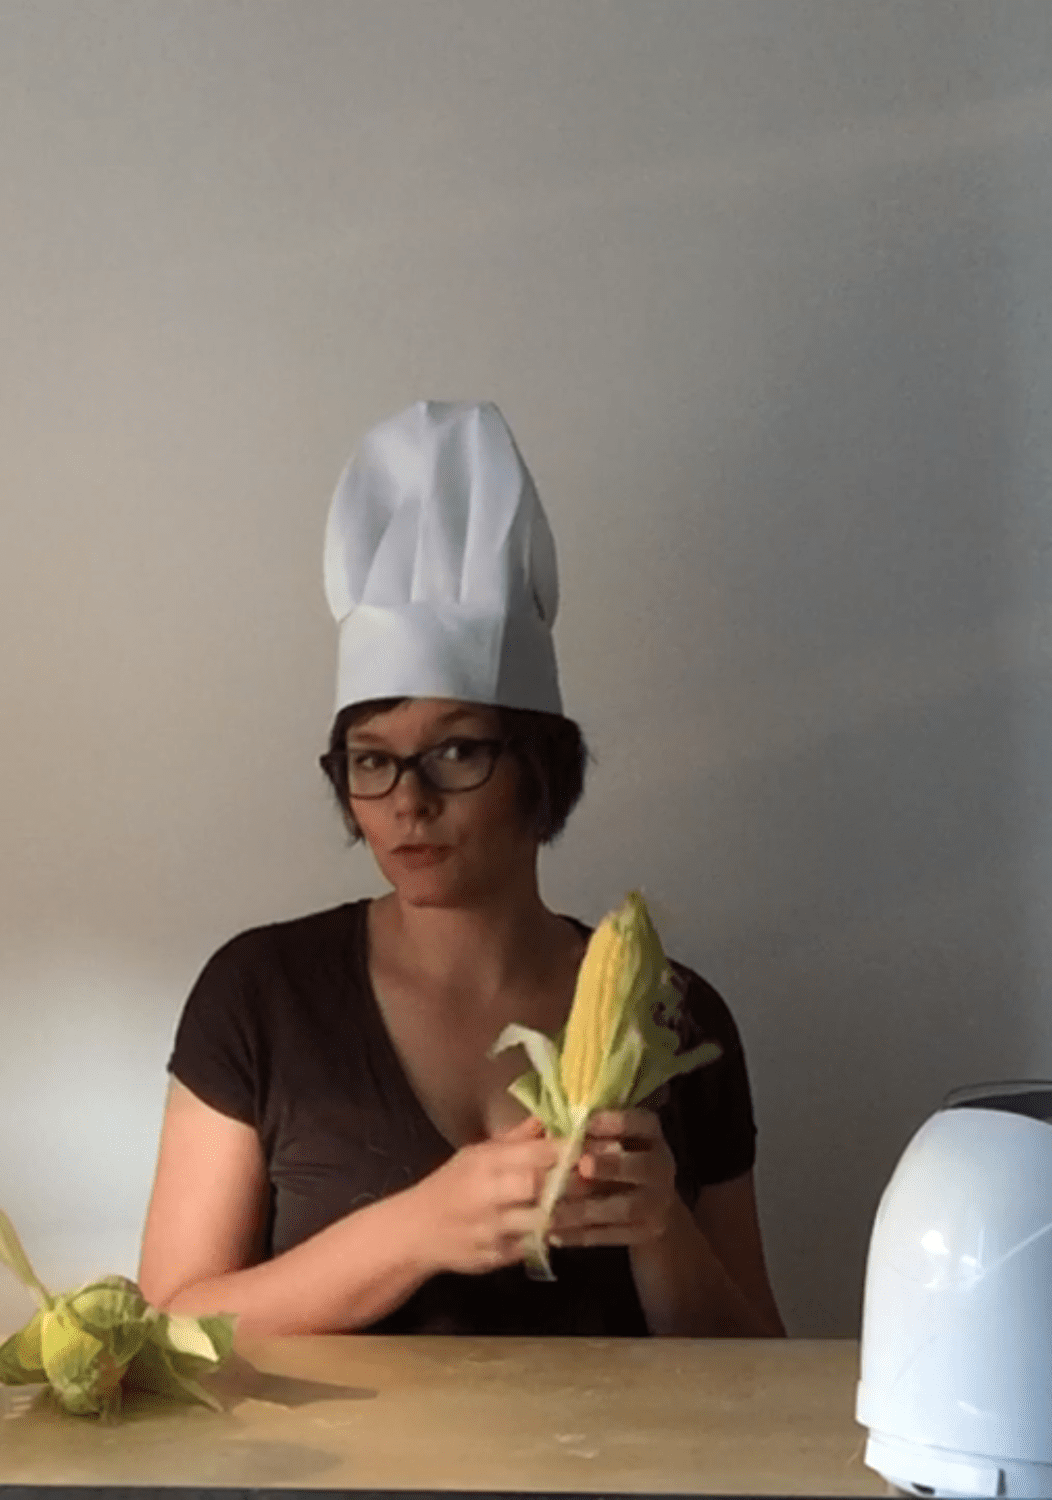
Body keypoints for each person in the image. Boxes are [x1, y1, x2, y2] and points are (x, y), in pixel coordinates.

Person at [137, 401, 783, 1338]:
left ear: (540, 766)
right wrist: (417, 1230)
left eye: (455, 751)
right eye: (372, 759)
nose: (408, 800)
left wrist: (659, 1230)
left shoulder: (680, 1016)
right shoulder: (259, 997)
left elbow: (758, 1369)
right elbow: (169, 1323)